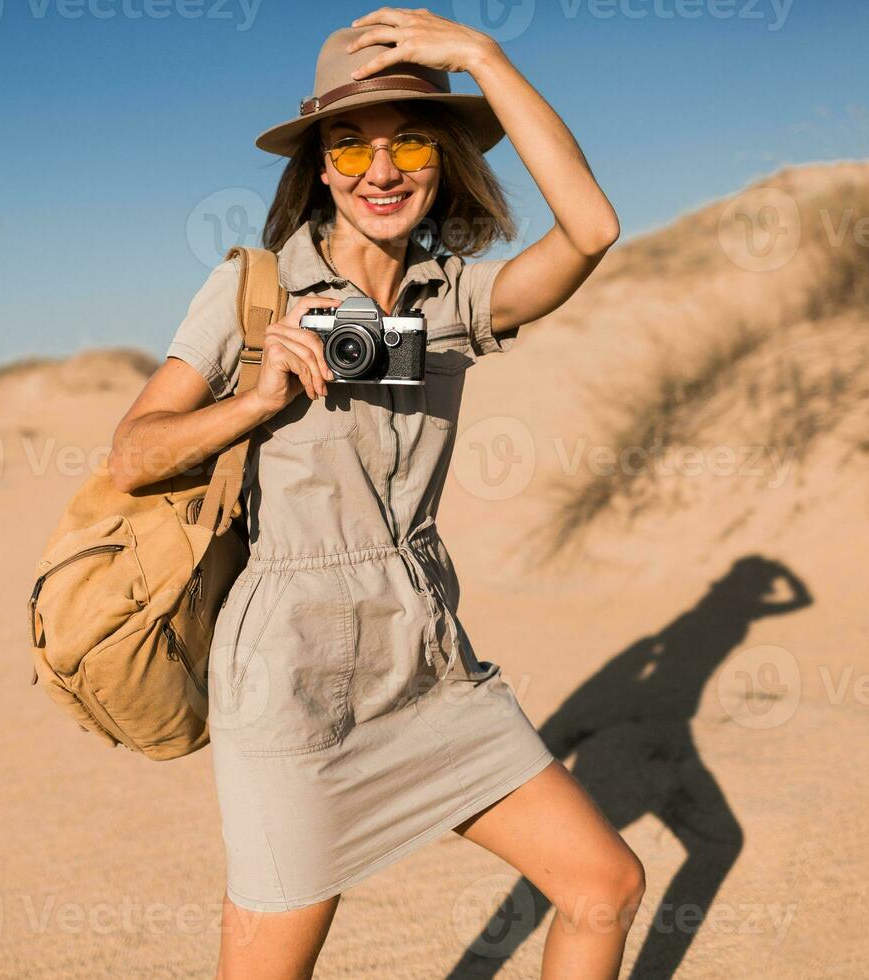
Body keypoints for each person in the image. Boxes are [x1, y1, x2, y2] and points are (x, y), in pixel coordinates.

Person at [108, 10, 644, 979]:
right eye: (350, 143)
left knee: (602, 882)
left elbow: (594, 229)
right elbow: (133, 454)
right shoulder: (249, 291)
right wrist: (254, 396)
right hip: (292, 671)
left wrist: (480, 57)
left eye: (411, 138)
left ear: (444, 158)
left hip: (429, 658)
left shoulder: (454, 298)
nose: (381, 168)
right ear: (318, 165)